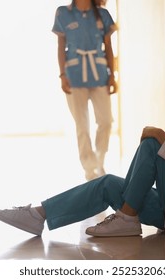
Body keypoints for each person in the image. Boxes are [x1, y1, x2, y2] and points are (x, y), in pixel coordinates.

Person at [0, 53, 165, 237]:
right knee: (108, 183)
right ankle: (38, 215)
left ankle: (126, 217)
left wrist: (160, 136)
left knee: (150, 144)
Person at [53, 0, 118, 181]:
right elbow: (60, 47)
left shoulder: (102, 15)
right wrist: (62, 75)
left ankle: (99, 160)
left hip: (99, 75)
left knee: (105, 121)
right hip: (74, 75)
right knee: (82, 125)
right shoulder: (63, 13)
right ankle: (90, 169)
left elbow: (109, 48)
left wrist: (112, 75)